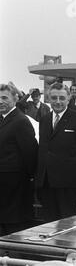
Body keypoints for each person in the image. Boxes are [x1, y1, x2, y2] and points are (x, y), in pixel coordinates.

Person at [36, 83, 76, 222]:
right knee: (48, 223)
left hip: (67, 183)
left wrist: (75, 173)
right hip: (46, 182)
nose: (57, 102)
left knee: (68, 223)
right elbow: (44, 148)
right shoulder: (44, 119)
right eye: (54, 98)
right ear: (48, 99)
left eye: (61, 98)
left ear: (68, 98)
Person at [0, 84, 38, 236]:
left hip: (15, 185)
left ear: (15, 99)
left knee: (14, 226)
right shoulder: (4, 119)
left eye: (4, 98)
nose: (0, 101)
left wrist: (28, 177)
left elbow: (30, 153)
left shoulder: (21, 121)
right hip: (4, 185)